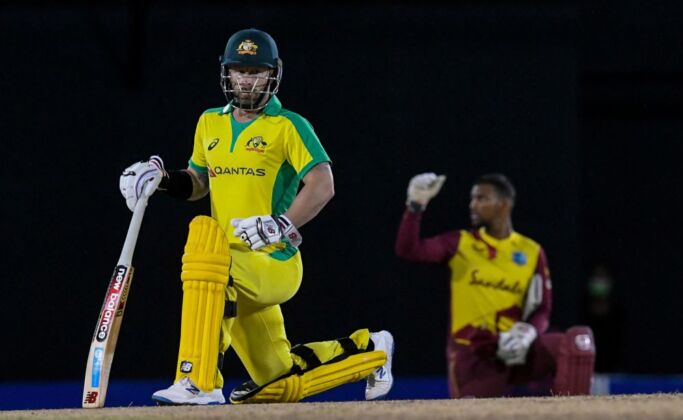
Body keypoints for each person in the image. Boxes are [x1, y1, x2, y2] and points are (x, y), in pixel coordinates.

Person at [118, 28, 394, 405]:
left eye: (256, 72)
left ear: (272, 74)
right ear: (227, 73)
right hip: (226, 271)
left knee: (207, 255)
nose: (246, 80)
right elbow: (199, 182)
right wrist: (161, 181)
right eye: (239, 72)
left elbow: (322, 184)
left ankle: (199, 380)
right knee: (278, 380)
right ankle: (371, 351)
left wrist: (282, 224)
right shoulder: (209, 122)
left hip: (272, 258)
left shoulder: (288, 125)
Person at [394, 172, 595, 398]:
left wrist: (527, 333)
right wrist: (415, 206)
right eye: (472, 199)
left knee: (577, 341)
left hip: (517, 348)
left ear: (504, 204)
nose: (473, 205)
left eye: (482, 198)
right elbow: (408, 250)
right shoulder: (461, 243)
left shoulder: (531, 251)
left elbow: (542, 309)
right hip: (474, 354)